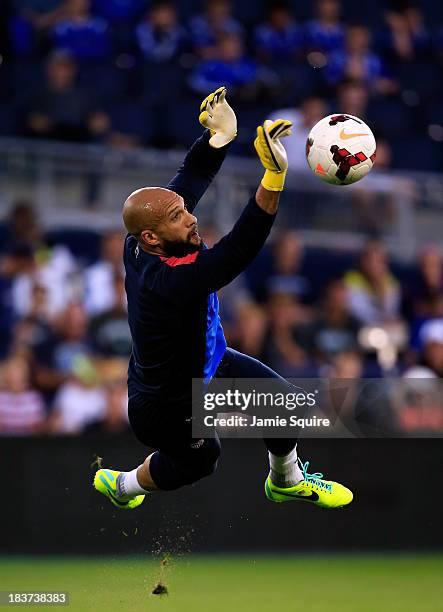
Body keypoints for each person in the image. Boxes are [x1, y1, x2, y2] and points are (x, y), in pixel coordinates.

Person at [93, 87, 352, 510]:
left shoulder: (145, 240)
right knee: (202, 460)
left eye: (184, 210)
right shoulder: (171, 279)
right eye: (179, 218)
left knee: (284, 406)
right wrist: (272, 181)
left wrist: (217, 140)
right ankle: (124, 486)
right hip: (167, 405)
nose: (191, 216)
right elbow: (238, 251)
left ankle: (286, 480)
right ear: (153, 237)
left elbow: (186, 185)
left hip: (207, 361)